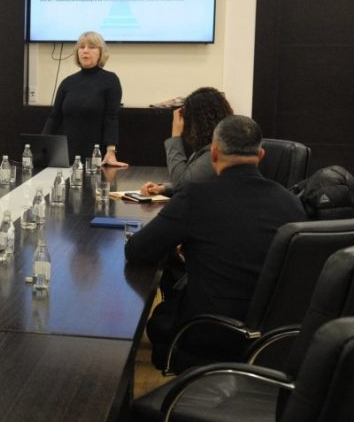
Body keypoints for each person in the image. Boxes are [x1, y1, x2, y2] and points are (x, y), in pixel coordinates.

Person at [125, 115, 307, 369]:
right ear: (261, 155)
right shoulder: (291, 203)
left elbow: (137, 250)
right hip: (273, 340)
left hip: (208, 332)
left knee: (161, 318)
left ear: (213, 154)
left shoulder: (196, 197)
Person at [41, 31, 127, 166]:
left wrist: (111, 151)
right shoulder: (67, 82)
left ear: (101, 53)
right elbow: (54, 117)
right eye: (81, 47)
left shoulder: (110, 80)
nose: (85, 51)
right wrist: (41, 148)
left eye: (91, 47)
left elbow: (111, 118)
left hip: (95, 155)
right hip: (66, 154)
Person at [141, 87, 233, 197]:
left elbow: (182, 187)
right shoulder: (219, 145)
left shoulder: (213, 152)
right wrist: (163, 188)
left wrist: (175, 135)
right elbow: (194, 182)